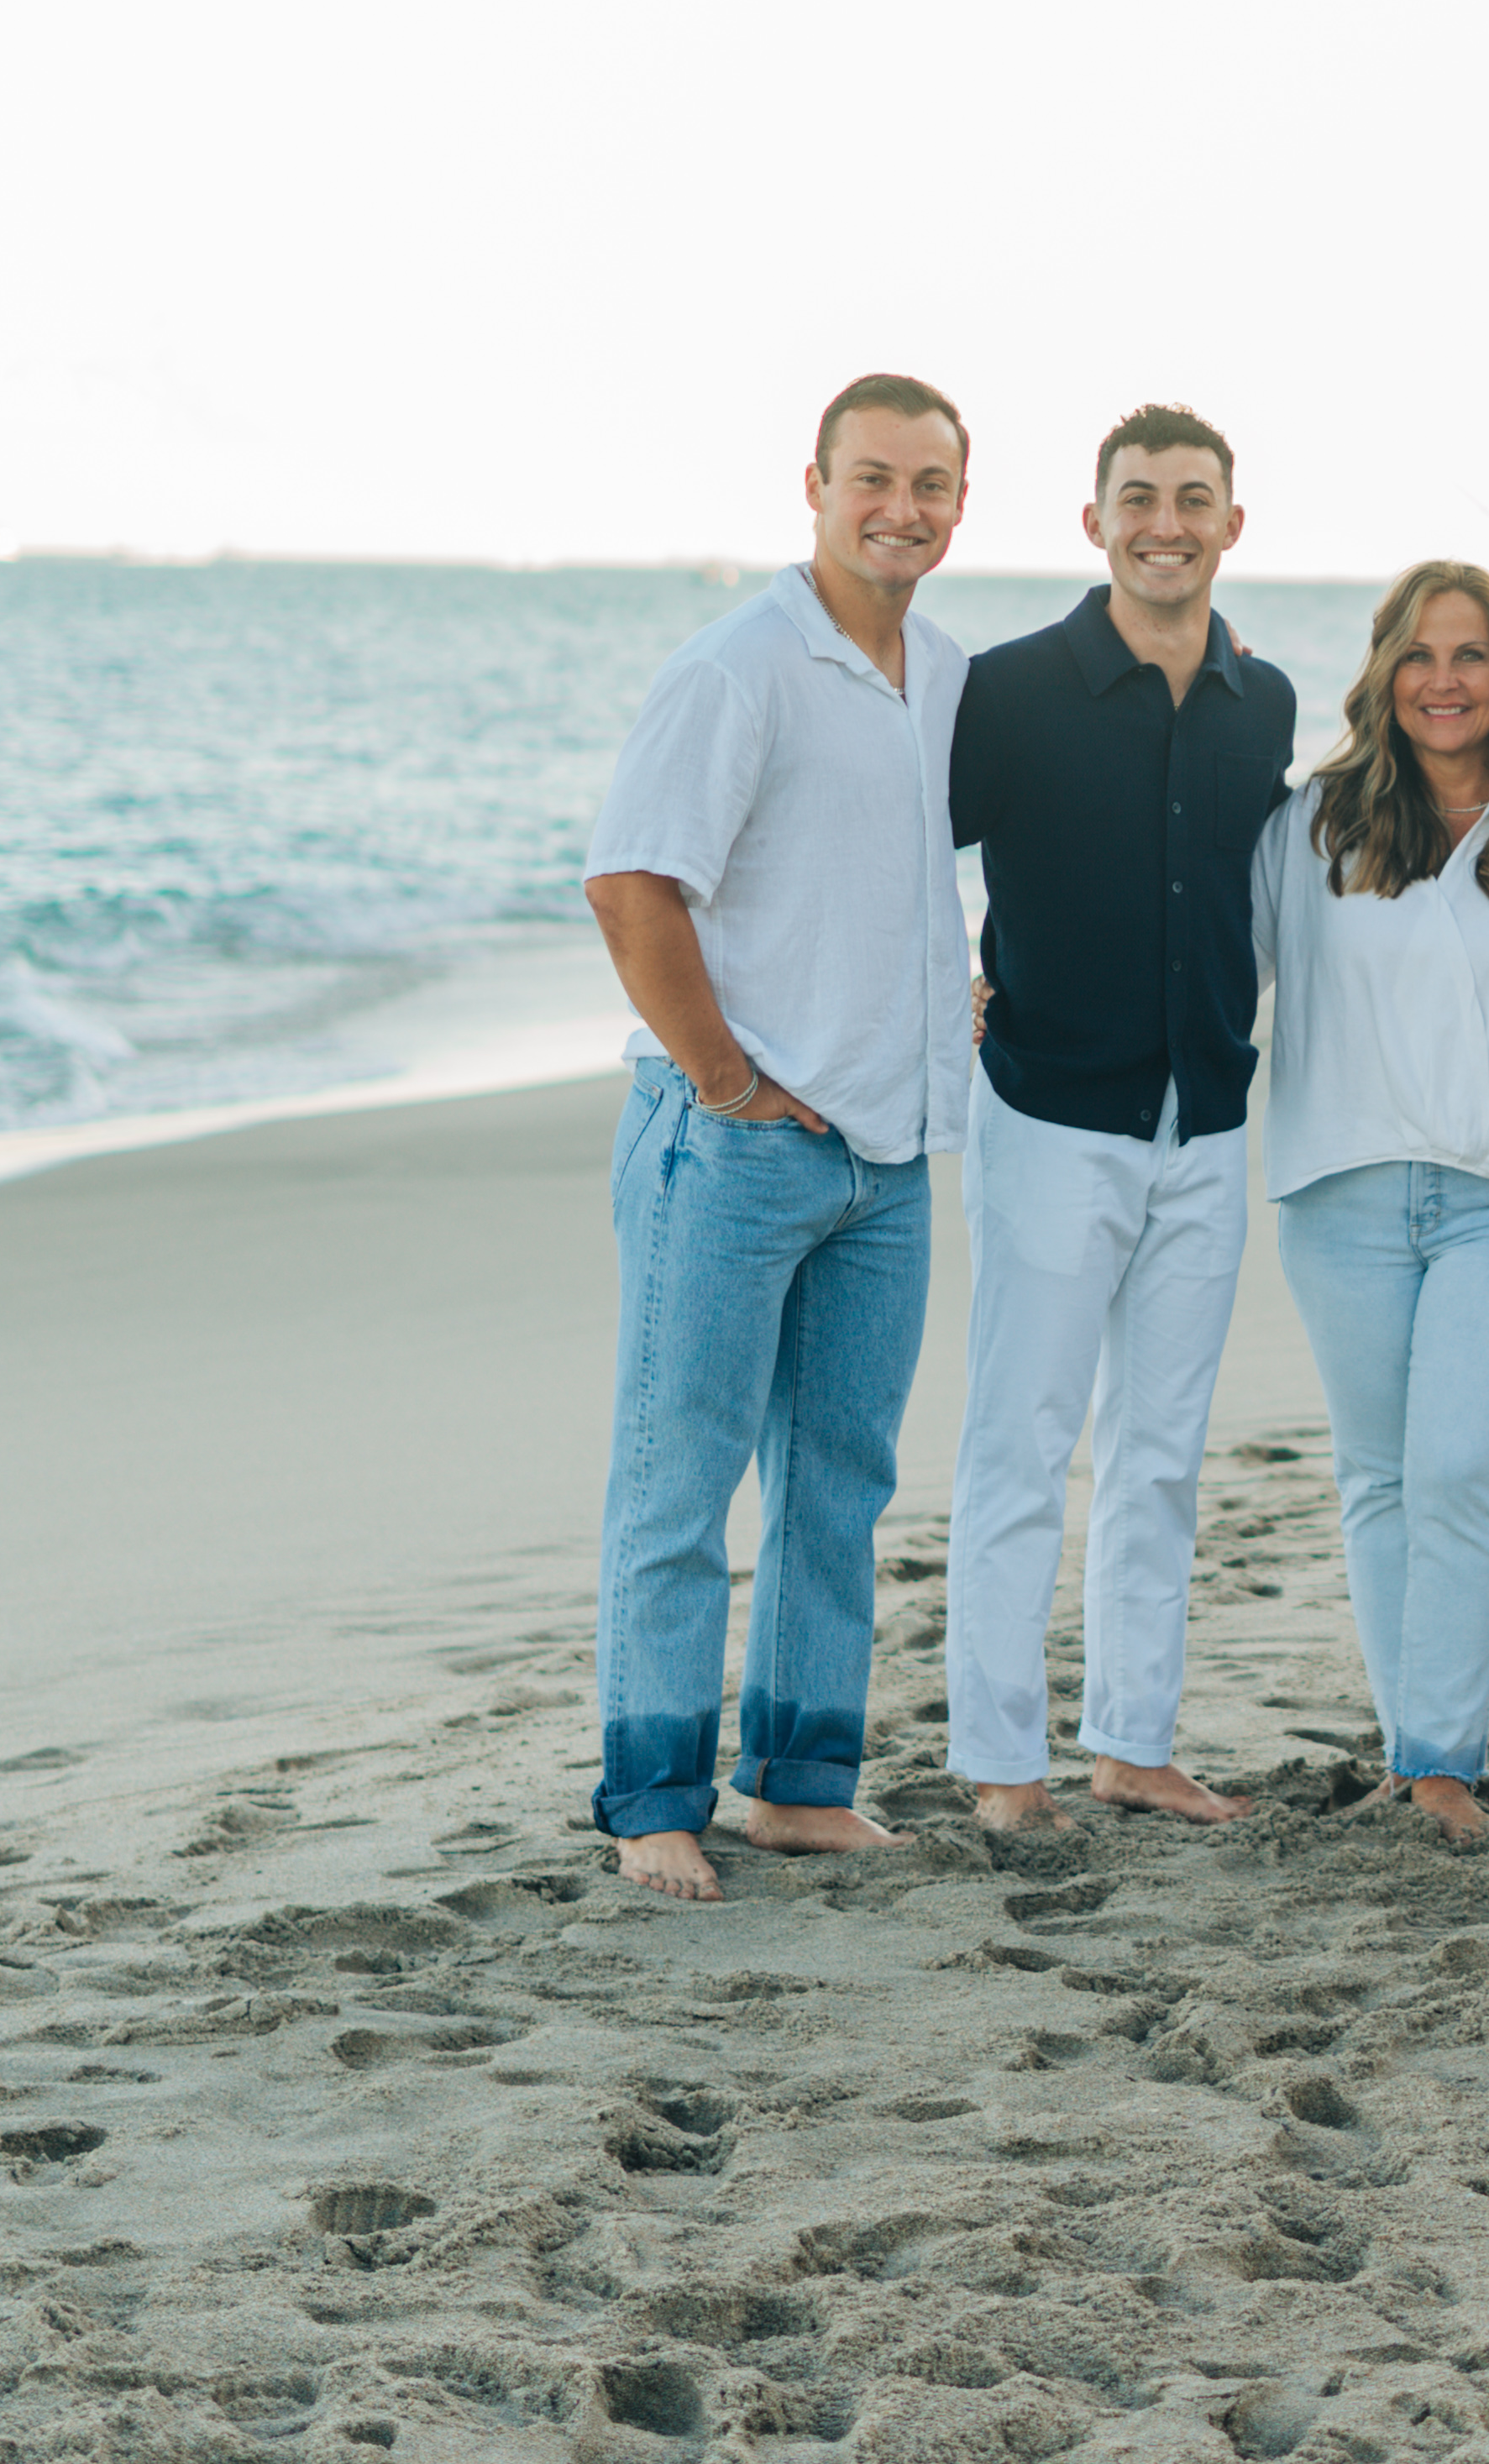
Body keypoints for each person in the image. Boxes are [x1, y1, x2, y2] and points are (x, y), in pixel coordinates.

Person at [575, 373, 981, 1900]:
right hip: (729, 1151)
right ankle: (652, 1799)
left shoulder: (939, 676)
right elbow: (632, 888)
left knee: (837, 1483)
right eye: (872, 477)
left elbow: (875, 881)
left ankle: (799, 1786)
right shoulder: (737, 666)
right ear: (812, 483)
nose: (901, 508)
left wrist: (954, 994)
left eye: (929, 484)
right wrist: (730, 1082)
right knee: (676, 1484)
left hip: (887, 1157)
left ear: (960, 500)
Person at [945, 406, 1299, 1833]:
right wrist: (944, 990)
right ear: (1093, 523)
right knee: (1019, 1445)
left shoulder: (1260, 699)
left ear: (1231, 523)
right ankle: (1000, 1764)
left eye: (1192, 499)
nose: (1167, 522)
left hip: (1205, 1123)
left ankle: (1131, 1745)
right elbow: (903, 854)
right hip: (1046, 1116)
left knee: (1160, 1453)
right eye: (1138, 498)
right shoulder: (1008, 690)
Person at [1254, 561, 1489, 1840]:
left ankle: (1441, 1763)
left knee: (1461, 1465)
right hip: (1344, 1197)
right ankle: (1415, 1746)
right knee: (1379, 1478)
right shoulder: (1307, 829)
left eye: (1469, 654)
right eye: (1419, 655)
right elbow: (1189, 951)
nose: (1442, 679)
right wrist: (1001, 978)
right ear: (1382, 673)